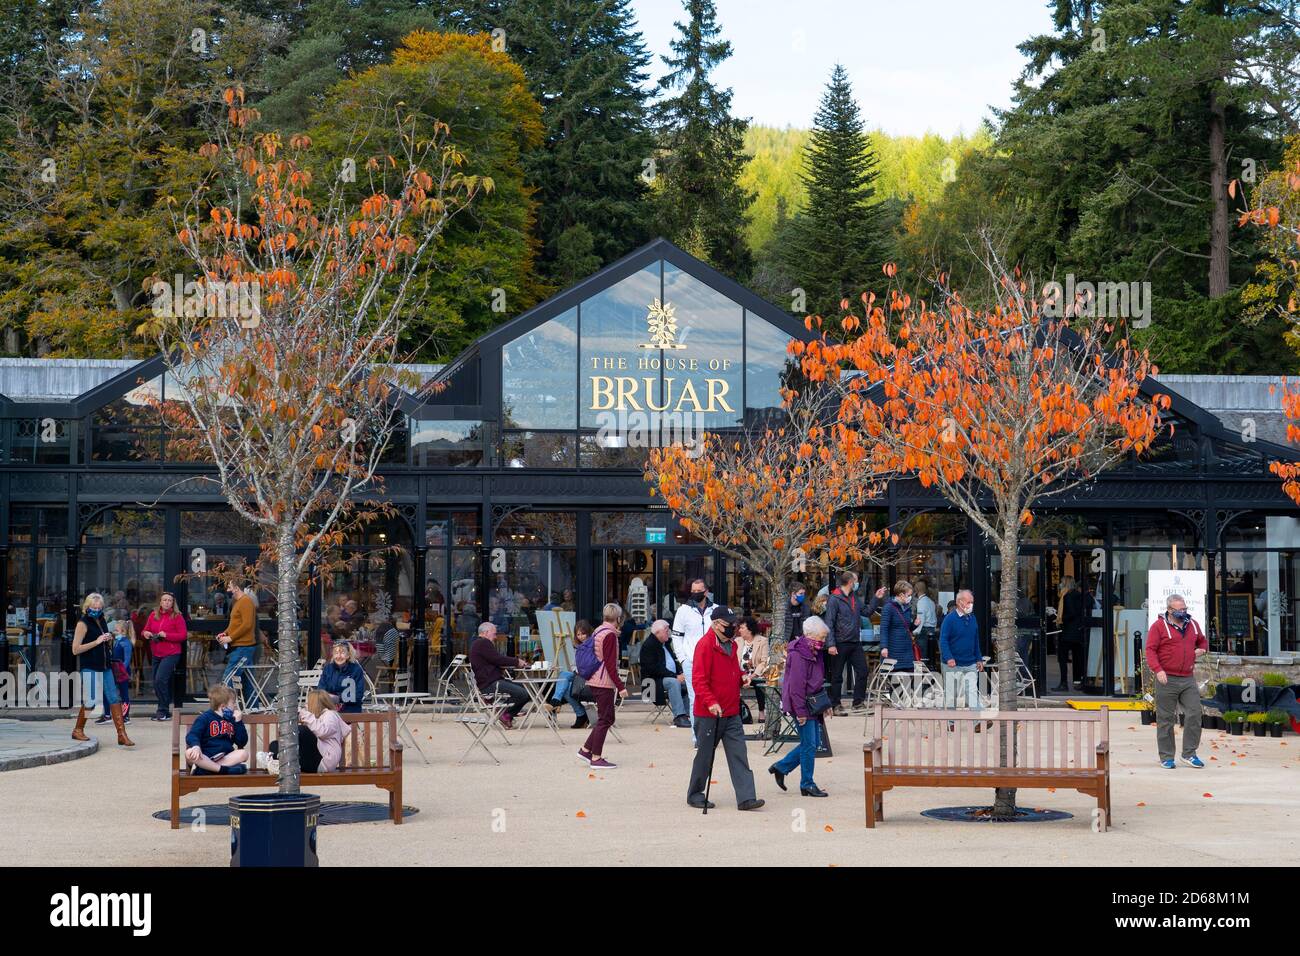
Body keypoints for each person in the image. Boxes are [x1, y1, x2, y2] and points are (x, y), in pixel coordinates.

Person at [686, 608, 764, 811]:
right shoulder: (704, 645)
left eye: (734, 624)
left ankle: (746, 797)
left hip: (731, 710)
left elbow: (732, 670)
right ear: (716, 624)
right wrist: (711, 702)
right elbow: (699, 680)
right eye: (729, 624)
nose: (734, 628)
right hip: (709, 713)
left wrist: (741, 677)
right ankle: (695, 793)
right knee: (705, 756)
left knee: (739, 754)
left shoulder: (731, 645)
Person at [768, 615, 831, 797]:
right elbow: (796, 686)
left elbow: (817, 681)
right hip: (801, 704)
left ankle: (781, 767)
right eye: (821, 637)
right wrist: (801, 712)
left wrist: (825, 704)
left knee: (812, 743)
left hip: (812, 703)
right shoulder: (798, 653)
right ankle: (807, 784)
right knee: (810, 744)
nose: (823, 641)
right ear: (810, 635)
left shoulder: (814, 650)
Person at [1145, 593, 1208, 769]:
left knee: (1195, 713)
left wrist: (1201, 650)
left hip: (1187, 678)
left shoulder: (1193, 625)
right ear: (1169, 610)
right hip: (1167, 678)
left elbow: (1203, 642)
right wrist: (1158, 670)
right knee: (1165, 719)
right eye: (1179, 610)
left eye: (1185, 609)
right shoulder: (1158, 626)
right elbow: (1150, 650)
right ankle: (1166, 757)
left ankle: (1189, 754)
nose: (1183, 612)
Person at [70, 592, 133, 747]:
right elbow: (75, 649)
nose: (97, 609)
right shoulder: (82, 623)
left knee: (114, 698)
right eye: (93, 607)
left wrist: (108, 638)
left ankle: (121, 734)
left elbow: (103, 640)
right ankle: (78, 729)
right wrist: (97, 641)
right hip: (89, 665)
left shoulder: (101, 619)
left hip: (105, 665)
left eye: (99, 607)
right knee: (91, 700)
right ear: (87, 607)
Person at [823, 571, 885, 716]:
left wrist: (876, 598)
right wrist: (831, 644)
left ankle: (858, 702)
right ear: (851, 582)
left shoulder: (854, 597)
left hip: (854, 641)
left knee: (863, 671)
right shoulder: (834, 599)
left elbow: (867, 611)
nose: (858, 584)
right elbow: (829, 622)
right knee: (837, 675)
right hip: (839, 642)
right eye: (856, 581)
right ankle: (836, 704)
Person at [578, 604, 627, 769]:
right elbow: (611, 664)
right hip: (603, 681)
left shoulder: (598, 631)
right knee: (605, 719)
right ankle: (596, 757)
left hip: (595, 678)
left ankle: (586, 750)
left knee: (606, 718)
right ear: (618, 618)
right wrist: (620, 686)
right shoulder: (610, 635)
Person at [258, 688, 352, 775]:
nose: (305, 706)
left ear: (315, 703)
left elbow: (322, 732)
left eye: (308, 703)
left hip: (324, 761)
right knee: (275, 744)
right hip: (314, 760)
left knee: (302, 731)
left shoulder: (330, 715)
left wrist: (305, 715)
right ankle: (277, 762)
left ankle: (277, 761)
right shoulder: (315, 717)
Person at [671, 578, 716, 744]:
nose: (695, 594)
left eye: (699, 591)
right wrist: (683, 659)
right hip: (691, 661)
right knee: (695, 698)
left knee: (713, 696)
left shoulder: (716, 610)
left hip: (713, 661)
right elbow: (676, 637)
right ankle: (698, 737)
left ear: (706, 591)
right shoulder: (683, 611)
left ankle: (711, 733)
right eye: (693, 591)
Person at [468, 621, 530, 727]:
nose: (495, 637)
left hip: (488, 682)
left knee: (528, 690)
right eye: (494, 634)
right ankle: (506, 714)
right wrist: (517, 662)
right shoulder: (483, 643)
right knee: (524, 693)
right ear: (486, 632)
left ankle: (507, 714)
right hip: (490, 684)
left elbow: (493, 660)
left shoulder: (477, 643)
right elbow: (497, 659)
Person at [184, 685, 248, 775]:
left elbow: (241, 743)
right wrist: (196, 746)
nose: (235, 706)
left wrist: (238, 722)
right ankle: (223, 770)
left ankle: (207, 769)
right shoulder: (204, 718)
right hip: (205, 756)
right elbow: (193, 735)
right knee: (189, 753)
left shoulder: (232, 720)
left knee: (244, 753)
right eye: (233, 703)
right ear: (223, 706)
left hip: (224, 757)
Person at [639, 618, 691, 728]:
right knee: (674, 682)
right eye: (666, 630)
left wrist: (681, 673)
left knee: (689, 682)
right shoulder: (649, 646)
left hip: (667, 678)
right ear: (657, 632)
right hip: (652, 682)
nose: (669, 632)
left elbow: (673, 662)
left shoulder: (665, 644)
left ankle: (688, 714)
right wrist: (675, 676)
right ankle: (679, 716)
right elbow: (653, 669)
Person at [143, 592, 187, 722]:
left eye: (169, 600)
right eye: (164, 600)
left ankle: (163, 710)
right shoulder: (153, 615)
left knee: (160, 680)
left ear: (173, 603)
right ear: (160, 602)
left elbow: (183, 635)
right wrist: (146, 633)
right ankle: (164, 710)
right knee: (157, 683)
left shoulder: (177, 616)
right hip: (156, 653)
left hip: (172, 653)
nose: (167, 602)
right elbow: (145, 630)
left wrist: (166, 635)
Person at [217, 582, 261, 706]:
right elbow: (236, 624)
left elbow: (247, 625)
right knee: (248, 681)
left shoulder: (246, 602)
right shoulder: (239, 602)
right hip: (243, 646)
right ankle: (254, 709)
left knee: (228, 678)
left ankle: (225, 708)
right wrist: (225, 633)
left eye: (229, 587)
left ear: (237, 588)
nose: (228, 590)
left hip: (243, 647)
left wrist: (230, 637)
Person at [547, 620, 596, 729]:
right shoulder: (579, 647)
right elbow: (574, 665)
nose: (581, 637)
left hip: (590, 679)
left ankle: (558, 704)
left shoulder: (594, 645)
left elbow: (593, 665)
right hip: (580, 676)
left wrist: (580, 670)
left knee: (564, 684)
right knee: (563, 677)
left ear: (588, 632)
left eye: (583, 633)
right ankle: (557, 701)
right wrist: (576, 670)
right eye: (578, 634)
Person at [939, 590, 983, 708]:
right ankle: (951, 724)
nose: (971, 605)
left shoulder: (972, 618)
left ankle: (978, 721)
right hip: (952, 664)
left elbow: (975, 640)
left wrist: (978, 658)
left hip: (970, 662)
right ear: (959, 602)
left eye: (972, 602)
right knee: (951, 694)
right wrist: (949, 658)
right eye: (968, 602)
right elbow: (943, 640)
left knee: (972, 691)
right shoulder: (949, 619)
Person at [96, 619, 133, 725]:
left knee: (124, 694)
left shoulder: (126, 643)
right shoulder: (117, 641)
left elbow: (127, 659)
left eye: (116, 630)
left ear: (123, 632)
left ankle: (125, 717)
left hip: (121, 672)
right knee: (107, 691)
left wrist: (121, 671)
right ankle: (107, 715)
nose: (114, 632)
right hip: (114, 670)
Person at [1054, 577, 1087, 691]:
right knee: (1077, 658)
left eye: (1061, 583)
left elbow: (1071, 613)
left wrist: (1061, 618)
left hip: (1068, 632)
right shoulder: (1077, 595)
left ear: (1066, 584)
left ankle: (1064, 683)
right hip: (1077, 632)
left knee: (1062, 658)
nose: (1060, 585)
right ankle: (1077, 682)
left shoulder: (1066, 596)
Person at [318, 639, 367, 713]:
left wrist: (338, 698)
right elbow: (321, 690)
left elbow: (358, 696)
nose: (339, 656)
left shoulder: (356, 670)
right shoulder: (328, 669)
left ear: (348, 655)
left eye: (342, 653)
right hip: (330, 710)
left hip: (350, 710)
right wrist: (327, 698)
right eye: (336, 653)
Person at [879, 580, 917, 673]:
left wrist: (915, 625)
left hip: (907, 650)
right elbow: (884, 628)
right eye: (908, 595)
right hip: (893, 649)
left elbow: (906, 627)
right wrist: (884, 647)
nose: (910, 598)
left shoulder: (907, 608)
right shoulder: (889, 607)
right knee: (895, 679)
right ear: (901, 595)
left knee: (910, 676)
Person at [737, 616, 769, 718]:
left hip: (755, 673)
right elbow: (733, 661)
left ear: (749, 629)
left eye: (742, 628)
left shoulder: (762, 641)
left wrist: (751, 676)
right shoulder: (737, 641)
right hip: (740, 673)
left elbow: (764, 662)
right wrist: (742, 675)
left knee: (759, 683)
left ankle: (761, 711)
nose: (739, 630)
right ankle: (736, 710)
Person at [912, 579, 939, 668]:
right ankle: (929, 676)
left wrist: (915, 632)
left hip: (923, 631)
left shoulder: (921, 602)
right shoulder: (931, 602)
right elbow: (934, 618)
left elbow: (921, 619)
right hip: (931, 631)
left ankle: (921, 678)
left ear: (916, 590)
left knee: (921, 656)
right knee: (930, 656)